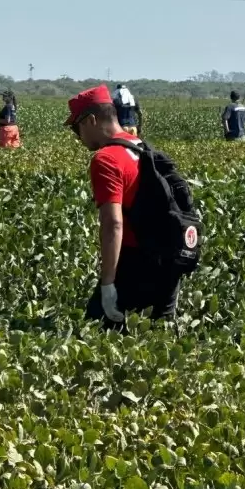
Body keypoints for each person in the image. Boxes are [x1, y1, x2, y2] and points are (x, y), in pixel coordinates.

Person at [66, 85, 183, 328]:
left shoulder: (106, 159)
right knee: (159, 340)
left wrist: (108, 283)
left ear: (91, 120)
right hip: (169, 260)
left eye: (77, 128)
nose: (78, 137)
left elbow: (113, 223)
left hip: (133, 264)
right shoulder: (142, 147)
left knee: (93, 338)